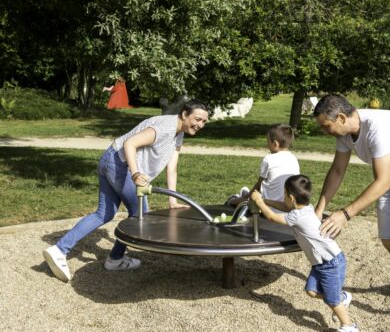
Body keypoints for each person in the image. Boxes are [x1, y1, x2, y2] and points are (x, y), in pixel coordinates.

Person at [43, 99, 210, 282]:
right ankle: (113, 258)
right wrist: (136, 173)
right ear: (185, 114)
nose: (200, 124)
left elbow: (172, 167)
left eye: (204, 121)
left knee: (104, 214)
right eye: (198, 119)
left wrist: (172, 200)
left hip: (110, 159)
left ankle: (60, 249)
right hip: (120, 166)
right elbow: (130, 143)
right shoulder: (165, 127)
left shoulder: (178, 133)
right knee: (140, 215)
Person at [250, 175, 358, 332]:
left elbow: (273, 217)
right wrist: (265, 201)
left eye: (284, 194)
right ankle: (342, 297)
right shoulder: (304, 209)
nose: (283, 198)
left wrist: (259, 201)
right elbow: (285, 207)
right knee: (311, 291)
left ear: (292, 198)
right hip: (322, 263)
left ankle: (349, 326)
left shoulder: (297, 216)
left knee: (331, 300)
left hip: (331, 263)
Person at [313, 94, 390, 254]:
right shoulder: (344, 134)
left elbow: (384, 181)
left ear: (341, 118)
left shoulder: (377, 128)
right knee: (388, 238)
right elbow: (337, 171)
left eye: (326, 126)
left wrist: (345, 215)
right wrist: (319, 210)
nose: (325, 132)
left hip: (386, 180)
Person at [226, 124, 300, 208]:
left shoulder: (268, 159)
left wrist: (247, 197)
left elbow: (259, 186)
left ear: (275, 144)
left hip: (268, 207)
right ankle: (243, 195)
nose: (267, 145)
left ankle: (233, 200)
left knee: (240, 201)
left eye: (268, 142)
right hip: (288, 207)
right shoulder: (294, 159)